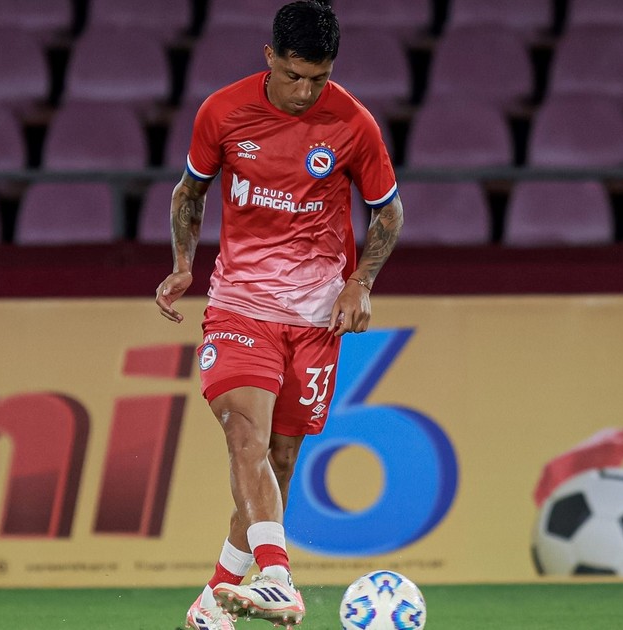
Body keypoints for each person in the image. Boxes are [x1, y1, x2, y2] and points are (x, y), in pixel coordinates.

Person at [154, 2, 404, 628]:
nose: (305, 91)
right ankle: (277, 578)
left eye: (319, 79)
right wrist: (183, 264)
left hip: (316, 317)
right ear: (269, 57)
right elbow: (190, 191)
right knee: (245, 434)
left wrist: (360, 283)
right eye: (294, 75)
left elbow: (389, 210)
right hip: (240, 304)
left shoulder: (353, 123)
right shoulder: (223, 112)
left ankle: (213, 600)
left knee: (279, 459)